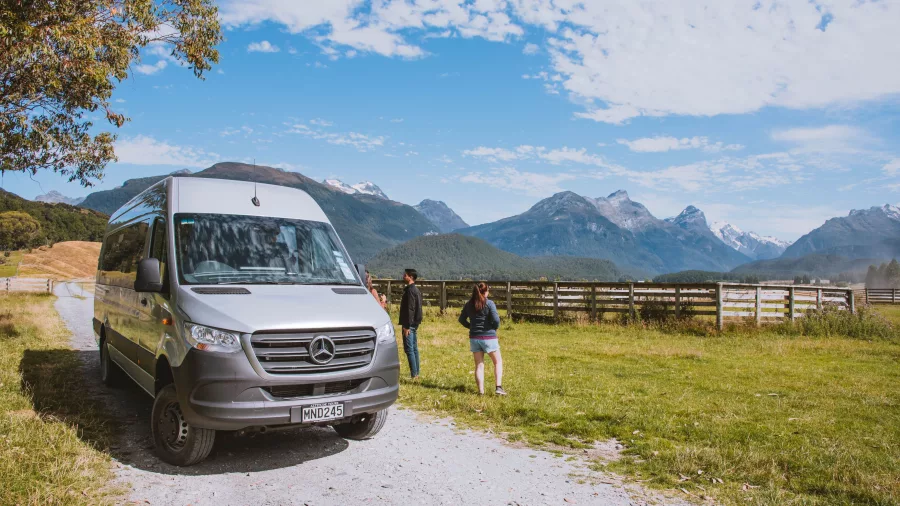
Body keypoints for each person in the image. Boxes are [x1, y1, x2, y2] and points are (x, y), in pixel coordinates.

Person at [458, 282, 506, 395]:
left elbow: (461, 319)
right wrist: (495, 328)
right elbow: (496, 320)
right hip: (489, 337)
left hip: (474, 338)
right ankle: (498, 387)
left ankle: (481, 392)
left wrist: (471, 326)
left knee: (479, 365)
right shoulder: (489, 303)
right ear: (485, 292)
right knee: (498, 362)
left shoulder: (469, 304)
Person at [398, 268, 423, 379]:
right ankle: (416, 372)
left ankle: (414, 374)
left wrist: (407, 326)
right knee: (414, 348)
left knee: (409, 349)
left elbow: (410, 309)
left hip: (409, 324)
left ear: (410, 277)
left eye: (405, 275)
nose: (403, 276)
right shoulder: (416, 290)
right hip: (414, 323)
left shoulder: (410, 291)